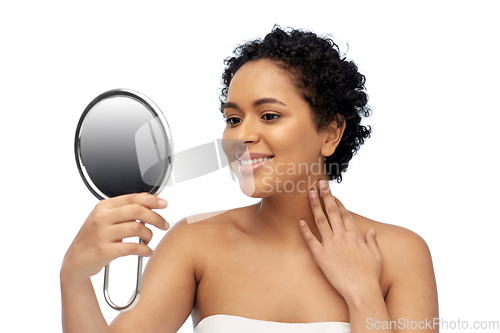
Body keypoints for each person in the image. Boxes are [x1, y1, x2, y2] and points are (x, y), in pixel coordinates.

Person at [61, 26, 438, 333]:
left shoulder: (399, 255)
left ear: (330, 133)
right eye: (233, 119)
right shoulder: (195, 243)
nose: (241, 137)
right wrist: (74, 276)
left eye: (270, 116)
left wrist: (362, 295)